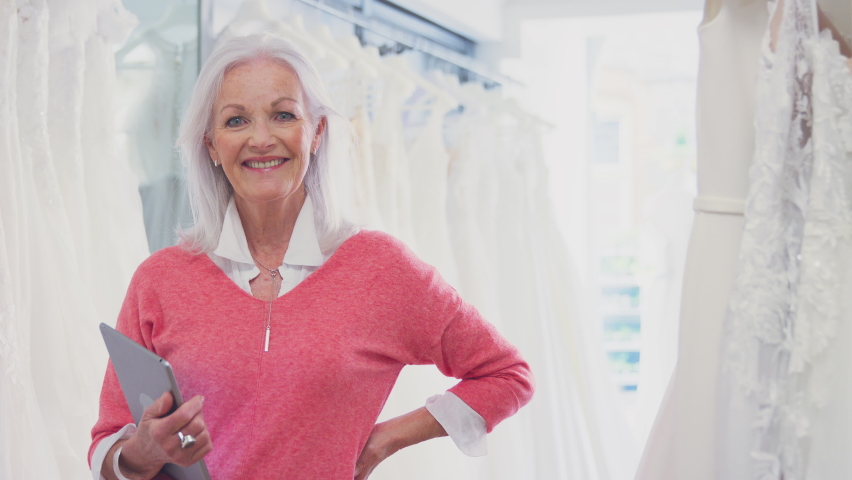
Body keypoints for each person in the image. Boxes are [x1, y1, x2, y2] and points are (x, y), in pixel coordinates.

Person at [88, 33, 534, 480]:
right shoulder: (160, 280)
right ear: (211, 146)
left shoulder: (381, 267)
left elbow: (507, 375)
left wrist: (386, 438)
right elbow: (106, 445)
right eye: (236, 120)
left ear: (316, 132)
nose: (261, 139)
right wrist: (140, 454)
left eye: (283, 115)